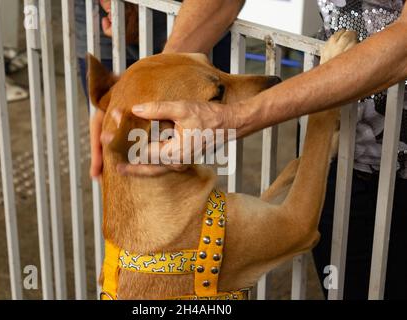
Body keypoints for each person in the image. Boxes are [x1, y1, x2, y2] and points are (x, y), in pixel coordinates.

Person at [90, 0, 407, 299]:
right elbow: (295, 228)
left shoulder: (165, 230)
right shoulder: (186, 229)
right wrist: (156, 78)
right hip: (356, 143)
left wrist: (236, 116)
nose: (263, 82)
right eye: (218, 93)